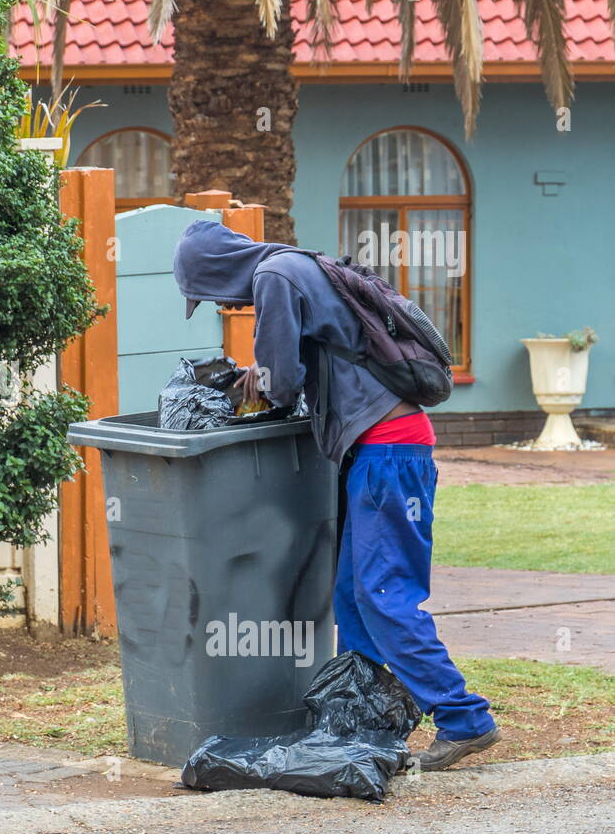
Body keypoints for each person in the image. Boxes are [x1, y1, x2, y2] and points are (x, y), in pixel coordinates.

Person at [173, 218, 499, 771]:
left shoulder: (275, 276)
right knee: (351, 595)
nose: (219, 305)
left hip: (388, 452)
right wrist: (271, 372)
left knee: (384, 593)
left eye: (208, 294)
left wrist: (256, 383)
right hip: (381, 449)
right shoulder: (297, 265)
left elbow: (282, 378)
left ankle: (464, 718)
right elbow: (314, 358)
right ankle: (361, 717)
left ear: (216, 272)